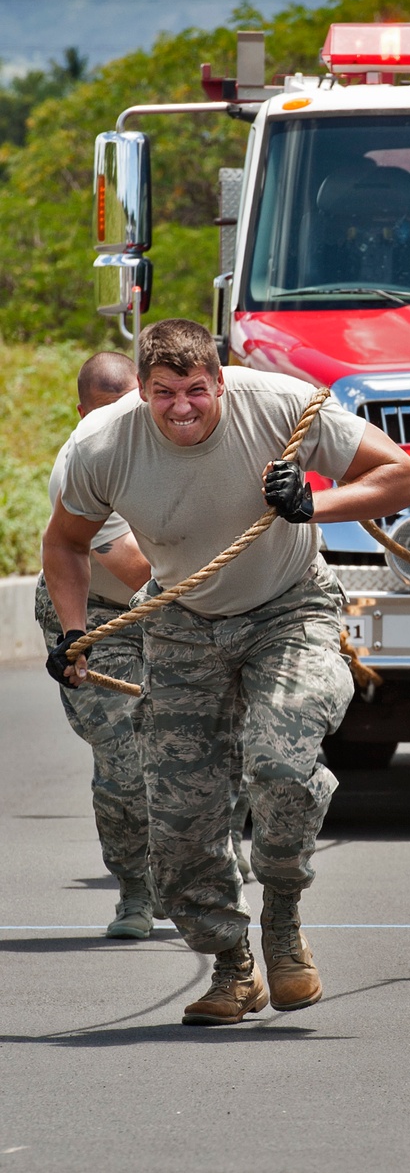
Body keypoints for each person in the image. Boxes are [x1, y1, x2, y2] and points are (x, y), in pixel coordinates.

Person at [43, 319, 410, 1026]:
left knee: (280, 765)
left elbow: (404, 475)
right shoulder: (102, 444)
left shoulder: (279, 404)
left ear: (221, 380)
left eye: (196, 389)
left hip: (289, 608)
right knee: (181, 824)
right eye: (164, 392)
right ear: (144, 389)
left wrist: (315, 501)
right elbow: (65, 543)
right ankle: (233, 964)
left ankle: (281, 915)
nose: (181, 406)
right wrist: (74, 632)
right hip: (182, 620)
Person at [34, 352, 154, 939]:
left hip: (176, 607)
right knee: (124, 758)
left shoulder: (172, 441)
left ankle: (208, 861)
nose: (113, 424)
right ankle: (135, 889)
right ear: (80, 413)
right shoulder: (82, 463)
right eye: (101, 413)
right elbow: (137, 573)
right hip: (93, 613)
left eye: (127, 409)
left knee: (207, 742)